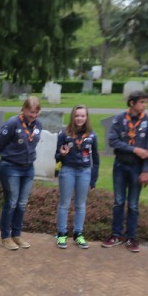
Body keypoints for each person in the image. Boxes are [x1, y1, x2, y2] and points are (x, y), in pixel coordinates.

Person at [103, 90, 148, 252]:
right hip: (120, 165)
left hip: (137, 167)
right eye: (141, 102)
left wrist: (146, 171)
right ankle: (116, 234)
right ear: (132, 103)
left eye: (146, 102)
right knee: (119, 201)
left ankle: (131, 237)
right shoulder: (120, 119)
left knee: (133, 204)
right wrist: (134, 149)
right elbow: (113, 141)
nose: (144, 105)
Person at [0, 96, 42, 250]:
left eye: (36, 112)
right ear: (24, 109)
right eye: (30, 111)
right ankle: (5, 236)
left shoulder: (38, 125)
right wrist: (10, 156)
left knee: (22, 203)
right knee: (11, 202)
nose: (33, 115)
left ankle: (17, 234)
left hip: (28, 168)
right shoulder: (12, 123)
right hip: (11, 167)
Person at [53, 104, 99, 250]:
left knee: (80, 204)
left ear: (86, 117)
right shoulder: (64, 134)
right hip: (68, 170)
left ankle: (78, 233)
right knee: (64, 203)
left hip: (84, 171)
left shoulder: (92, 135)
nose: (79, 118)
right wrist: (62, 154)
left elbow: (96, 159)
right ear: (73, 117)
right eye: (77, 115)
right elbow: (56, 156)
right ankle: (61, 233)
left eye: (82, 116)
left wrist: (93, 179)